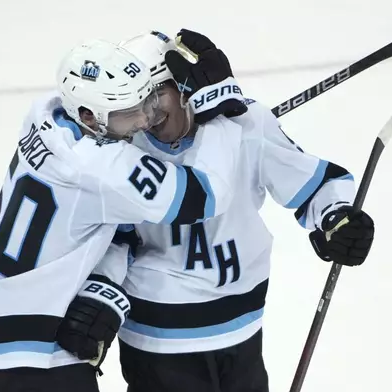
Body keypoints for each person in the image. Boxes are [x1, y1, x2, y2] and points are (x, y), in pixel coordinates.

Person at [0, 35, 249, 392]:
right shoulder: (102, 168)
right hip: (31, 346)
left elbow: (107, 218)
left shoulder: (45, 113)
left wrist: (105, 281)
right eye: (128, 114)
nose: (143, 120)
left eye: (146, 103)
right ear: (89, 115)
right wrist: (216, 113)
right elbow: (207, 195)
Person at [92, 29, 376, 392]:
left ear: (184, 86)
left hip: (242, 331)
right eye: (138, 101)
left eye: (157, 94)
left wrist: (336, 217)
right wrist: (98, 296)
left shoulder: (246, 124)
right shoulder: (123, 148)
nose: (148, 113)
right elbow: (114, 237)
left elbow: (312, 181)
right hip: (159, 342)